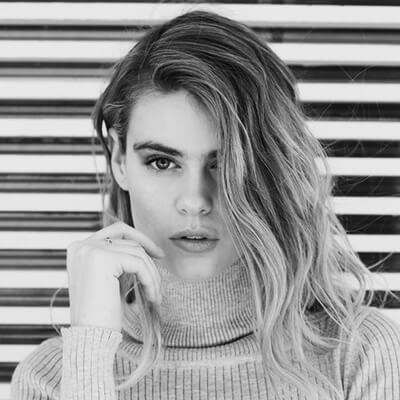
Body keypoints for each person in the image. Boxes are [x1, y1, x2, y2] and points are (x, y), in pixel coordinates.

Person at [10, 9, 400, 400]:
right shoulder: (52, 379)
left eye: (225, 163)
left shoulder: (358, 355)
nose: (195, 201)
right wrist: (89, 358)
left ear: (271, 168)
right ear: (118, 160)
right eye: (162, 162)